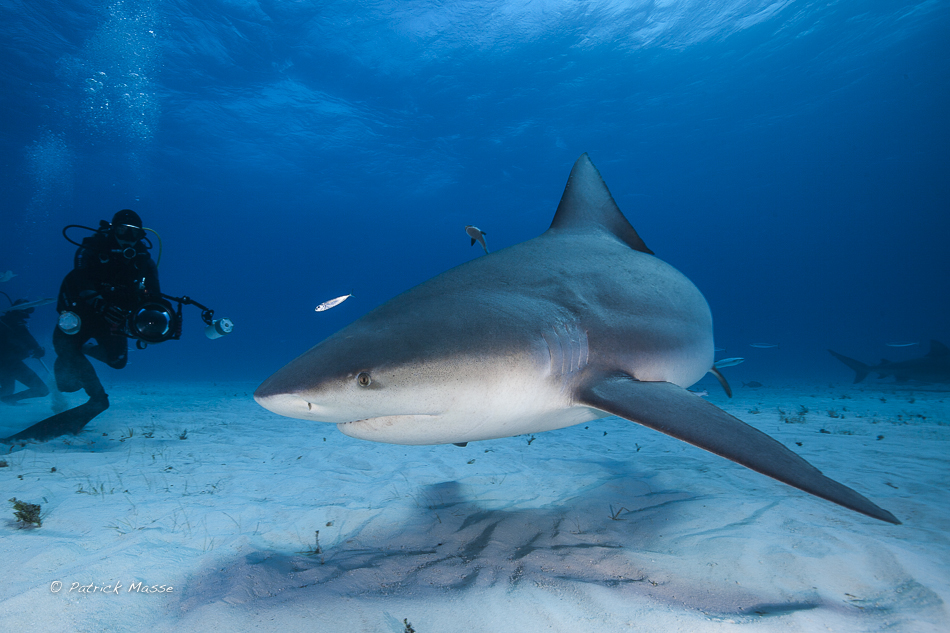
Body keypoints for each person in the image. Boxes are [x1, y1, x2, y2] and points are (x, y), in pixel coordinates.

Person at [52, 209, 160, 422]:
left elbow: (154, 298)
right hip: (82, 311)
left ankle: (80, 349)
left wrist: (159, 324)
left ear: (141, 236)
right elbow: (80, 278)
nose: (127, 239)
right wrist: (97, 302)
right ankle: (98, 398)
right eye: (122, 231)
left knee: (118, 361)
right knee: (67, 384)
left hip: (113, 317)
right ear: (112, 230)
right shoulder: (92, 247)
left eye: (134, 234)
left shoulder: (143, 261)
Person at [0, 299, 50, 405]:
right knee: (42, 389)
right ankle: (9, 399)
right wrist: (38, 349)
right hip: (11, 364)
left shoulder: (4, 321)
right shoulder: (15, 323)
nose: (28, 313)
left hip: (5, 364)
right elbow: (27, 338)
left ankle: (8, 400)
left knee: (7, 390)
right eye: (28, 309)